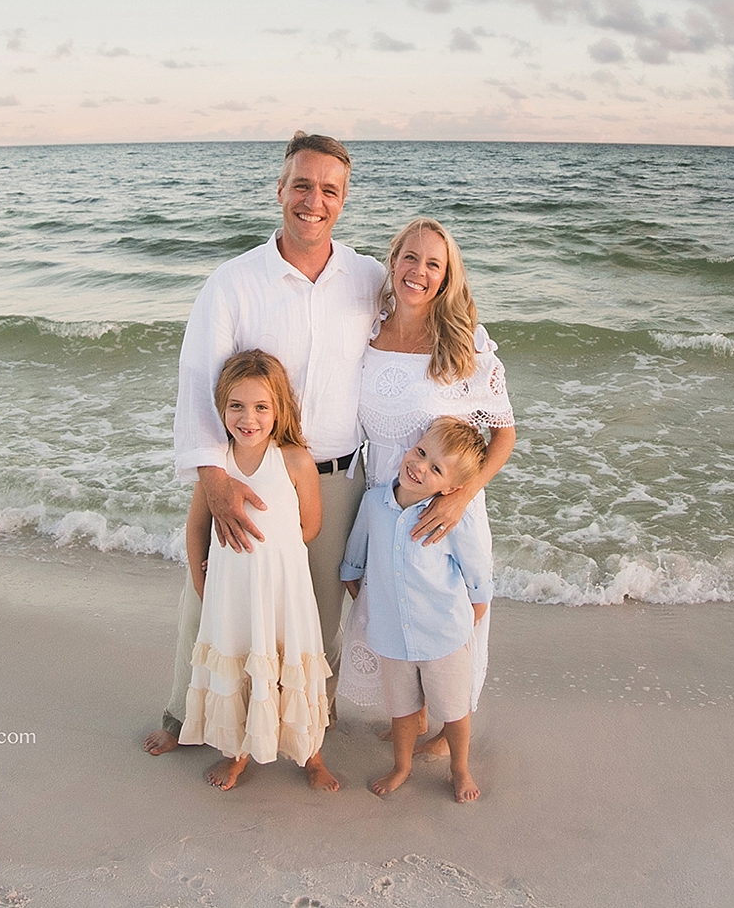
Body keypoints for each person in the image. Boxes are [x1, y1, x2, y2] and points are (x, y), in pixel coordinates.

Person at [142, 132, 385, 794]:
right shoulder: (233, 282)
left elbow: (425, 318)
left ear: (343, 199)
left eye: (329, 189)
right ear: (280, 190)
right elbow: (199, 381)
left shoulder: (366, 277)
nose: (314, 200)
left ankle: (303, 724)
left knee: (316, 612)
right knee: (212, 599)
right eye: (301, 185)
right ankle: (184, 712)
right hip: (245, 476)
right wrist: (214, 481)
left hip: (332, 477)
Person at [338, 218, 515, 742]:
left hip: (446, 505)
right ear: (392, 262)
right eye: (409, 258)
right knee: (392, 608)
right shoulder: (368, 329)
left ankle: (448, 730)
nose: (418, 271)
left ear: (446, 276)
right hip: (384, 502)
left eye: (432, 264)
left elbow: (503, 435)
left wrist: (461, 499)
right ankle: (409, 715)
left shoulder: (464, 344)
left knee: (447, 614)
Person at [178, 350, 330, 790]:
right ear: (221, 408)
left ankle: (312, 756)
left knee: (290, 664)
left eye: (262, 407)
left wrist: (269, 556)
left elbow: (310, 525)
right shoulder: (216, 465)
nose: (249, 418)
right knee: (240, 663)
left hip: (283, 588)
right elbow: (196, 529)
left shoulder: (295, 460)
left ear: (279, 408)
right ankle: (238, 754)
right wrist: (204, 578)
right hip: (232, 590)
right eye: (237, 406)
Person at [340, 416, 493, 803]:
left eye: (435, 467)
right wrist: (352, 575)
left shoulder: (448, 517)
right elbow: (359, 544)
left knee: (454, 709)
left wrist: (477, 606)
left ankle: (459, 768)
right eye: (421, 451)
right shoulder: (375, 502)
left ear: (453, 487)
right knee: (403, 709)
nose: (419, 465)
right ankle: (402, 767)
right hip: (392, 631)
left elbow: (475, 567)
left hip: (443, 631)